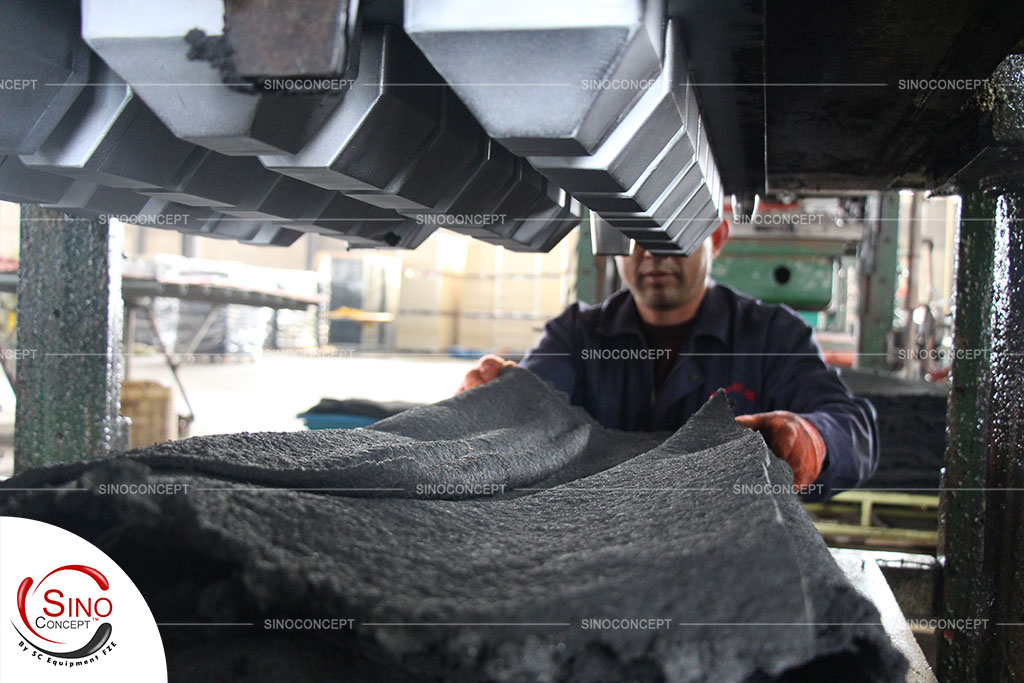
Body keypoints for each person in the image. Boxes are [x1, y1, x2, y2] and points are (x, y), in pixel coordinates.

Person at [456, 219, 877, 499]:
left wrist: (812, 440)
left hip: (728, 549)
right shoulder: (576, 335)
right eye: (632, 233)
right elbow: (533, 406)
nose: (651, 252)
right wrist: (498, 403)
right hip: (593, 543)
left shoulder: (772, 336)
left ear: (717, 235)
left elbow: (854, 431)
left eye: (672, 232)